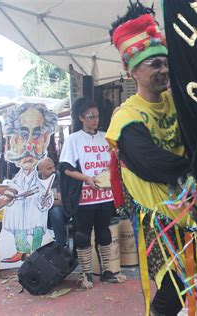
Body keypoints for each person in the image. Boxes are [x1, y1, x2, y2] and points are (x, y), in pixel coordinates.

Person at [106, 6, 197, 315]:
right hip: (161, 223)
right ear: (133, 71)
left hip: (196, 214)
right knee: (172, 293)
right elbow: (151, 163)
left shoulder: (178, 101)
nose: (163, 69)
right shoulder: (126, 117)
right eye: (154, 64)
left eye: (165, 62)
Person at [59, 97, 125, 289]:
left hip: (105, 195)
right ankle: (87, 274)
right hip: (85, 196)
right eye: (90, 116)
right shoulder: (73, 139)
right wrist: (86, 178)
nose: (95, 120)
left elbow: (114, 163)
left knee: (104, 233)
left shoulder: (105, 137)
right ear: (81, 117)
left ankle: (107, 272)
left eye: (96, 116)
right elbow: (65, 168)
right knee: (82, 234)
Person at [1, 103, 58, 263]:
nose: (29, 145)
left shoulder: (41, 181)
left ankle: (36, 251)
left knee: (38, 226)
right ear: (14, 139)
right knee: (16, 220)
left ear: (45, 138)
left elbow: (45, 203)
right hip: (18, 206)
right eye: (24, 134)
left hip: (36, 213)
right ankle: (21, 250)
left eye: (36, 135)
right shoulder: (12, 182)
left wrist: (45, 199)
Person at [38, 157, 69, 247]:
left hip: (59, 211)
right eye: (49, 168)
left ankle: (61, 244)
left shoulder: (58, 176)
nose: (53, 170)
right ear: (40, 169)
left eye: (53, 167)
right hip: (41, 212)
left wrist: (43, 203)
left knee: (56, 211)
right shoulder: (36, 179)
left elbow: (61, 201)